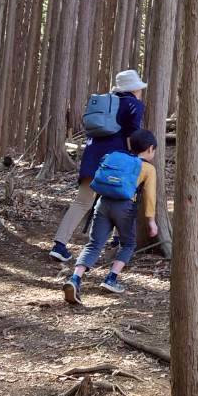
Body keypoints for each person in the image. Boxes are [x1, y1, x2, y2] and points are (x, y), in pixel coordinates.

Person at [49, 69, 146, 263]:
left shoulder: (105, 103)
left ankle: (59, 245)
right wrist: (135, 160)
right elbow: (132, 136)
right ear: (134, 89)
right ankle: (118, 242)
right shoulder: (133, 104)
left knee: (81, 202)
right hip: (115, 163)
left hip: (91, 157)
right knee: (119, 199)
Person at [63, 130, 158, 303]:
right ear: (151, 149)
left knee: (94, 244)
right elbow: (150, 197)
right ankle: (111, 279)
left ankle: (75, 279)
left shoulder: (116, 156)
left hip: (103, 203)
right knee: (128, 243)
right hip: (125, 207)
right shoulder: (148, 169)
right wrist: (151, 221)